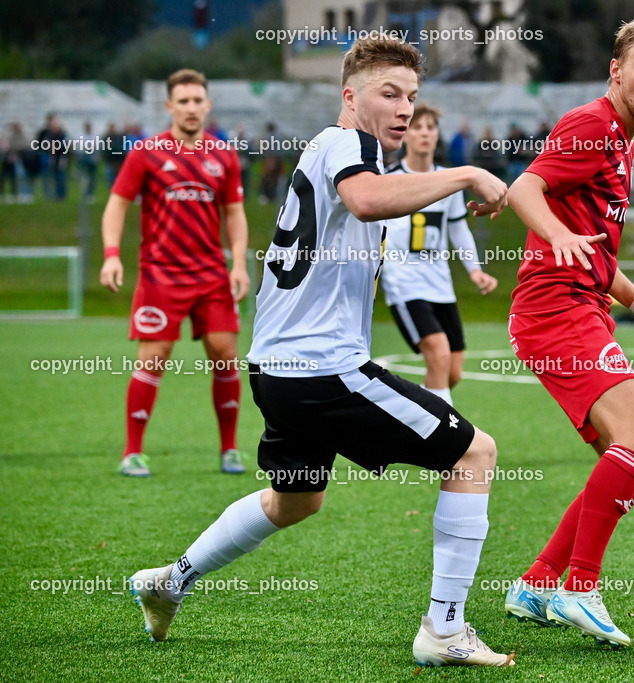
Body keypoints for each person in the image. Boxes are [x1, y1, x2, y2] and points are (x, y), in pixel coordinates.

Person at [126, 35, 515, 668]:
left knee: (297, 499)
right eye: (388, 94)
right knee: (474, 453)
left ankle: (171, 579)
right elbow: (365, 200)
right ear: (350, 95)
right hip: (321, 371)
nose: (402, 109)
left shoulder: (337, 155)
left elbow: (374, 206)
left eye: (411, 98)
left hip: (278, 371)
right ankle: (444, 630)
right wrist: (468, 172)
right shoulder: (348, 147)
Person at [502, 17, 634, 648]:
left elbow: (597, 252)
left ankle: (537, 582)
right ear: (616, 70)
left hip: (577, 305)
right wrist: (556, 236)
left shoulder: (623, 138)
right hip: (553, 309)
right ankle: (580, 587)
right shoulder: (593, 126)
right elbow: (523, 189)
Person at [99, 69, 250, 478]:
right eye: (182, 101)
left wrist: (238, 262)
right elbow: (117, 205)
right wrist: (112, 255)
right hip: (159, 275)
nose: (190, 107)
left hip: (211, 275)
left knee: (226, 353)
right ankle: (132, 452)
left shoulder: (225, 155)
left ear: (208, 104)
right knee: (154, 357)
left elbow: (234, 214)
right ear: (169, 107)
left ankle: (230, 449)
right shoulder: (145, 152)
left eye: (197, 100)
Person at [381, 104, 498, 405]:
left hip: (440, 285)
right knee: (438, 353)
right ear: (405, 134)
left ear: (437, 136)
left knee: (453, 371)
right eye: (417, 127)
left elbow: (458, 230)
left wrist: (475, 270)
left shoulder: (449, 181)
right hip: (404, 283)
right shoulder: (388, 179)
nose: (424, 133)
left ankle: (410, 417)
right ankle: (446, 445)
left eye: (430, 127)